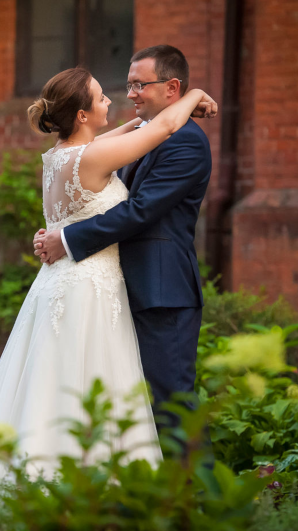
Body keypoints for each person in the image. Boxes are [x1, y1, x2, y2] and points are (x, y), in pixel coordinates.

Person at [0, 63, 216, 496]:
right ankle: (99, 492)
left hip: (61, 283)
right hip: (90, 287)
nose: (114, 98)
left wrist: (63, 236)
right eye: (102, 95)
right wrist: (195, 93)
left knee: (52, 382)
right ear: (83, 115)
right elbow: (161, 126)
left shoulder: (58, 156)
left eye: (128, 88)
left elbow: (133, 129)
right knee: (93, 383)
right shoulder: (94, 156)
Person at [33, 45, 213, 450]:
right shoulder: (129, 138)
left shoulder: (184, 142)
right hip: (112, 290)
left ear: (171, 87)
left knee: (171, 404)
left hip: (159, 290)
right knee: (124, 409)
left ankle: (198, 502)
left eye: (138, 85)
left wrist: (65, 237)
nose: (128, 94)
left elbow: (141, 211)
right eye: (125, 85)